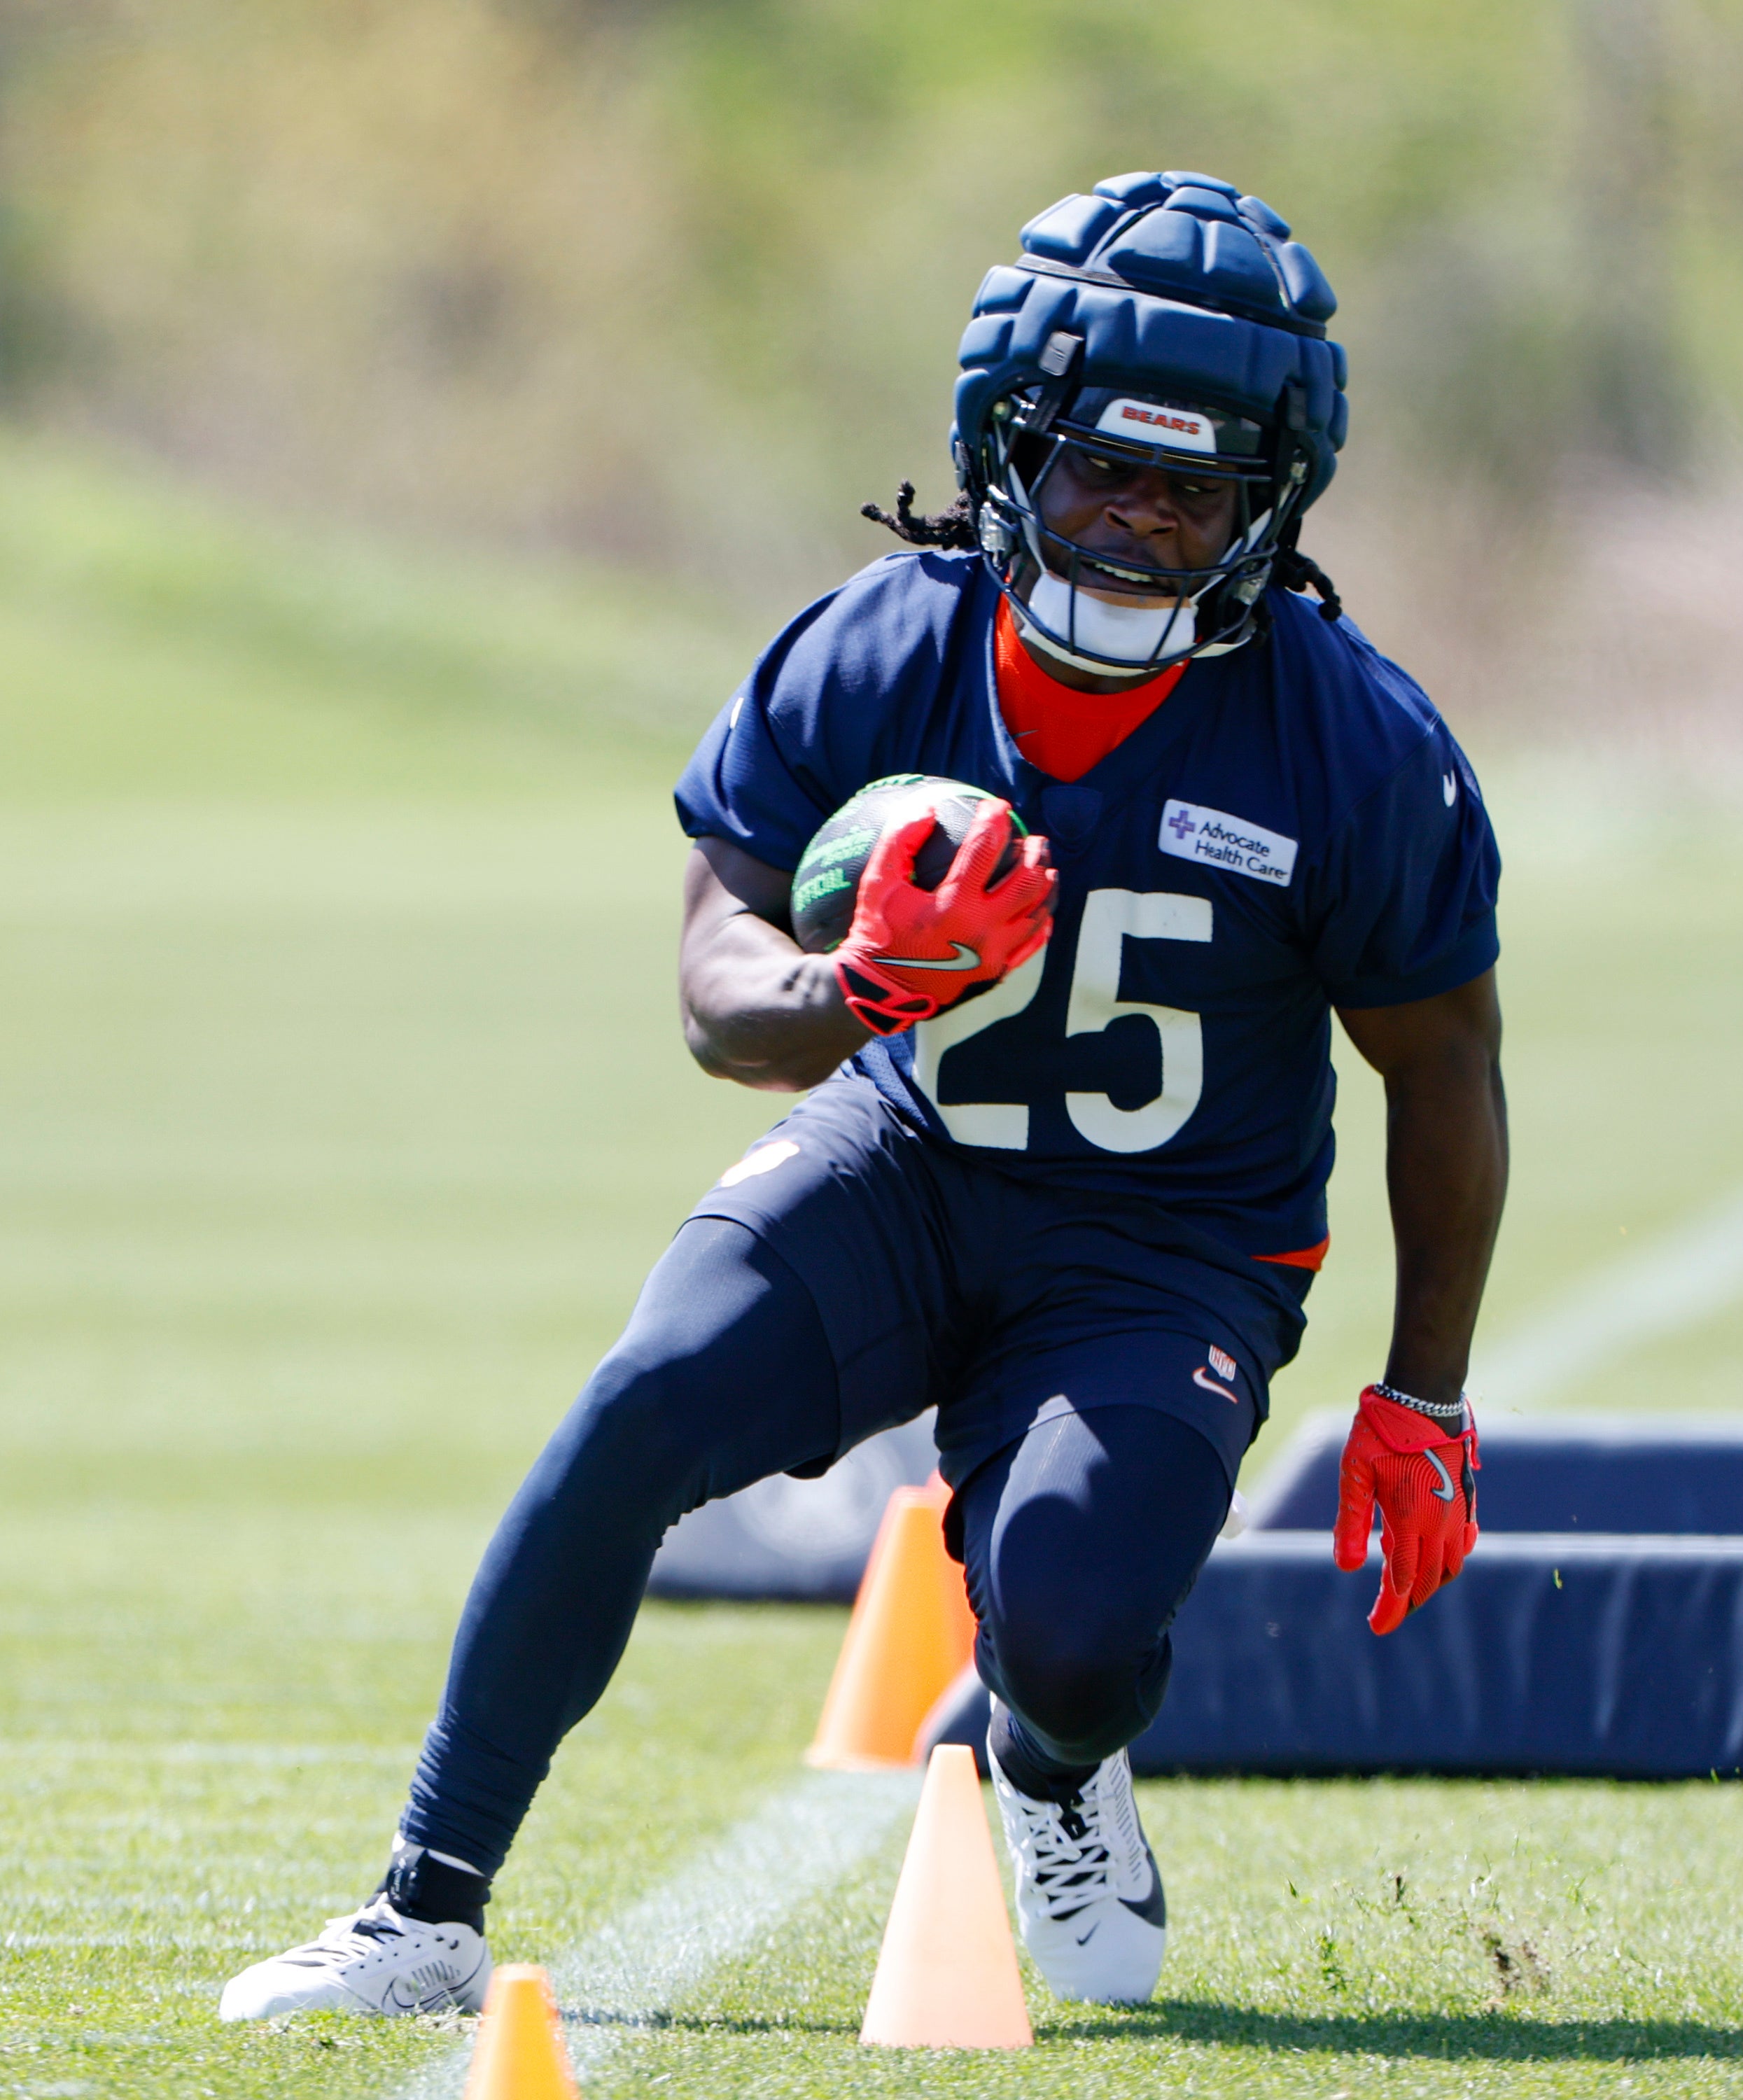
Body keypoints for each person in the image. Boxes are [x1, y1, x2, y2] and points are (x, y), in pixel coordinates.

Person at [218, 169, 1507, 2021]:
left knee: (1071, 1629)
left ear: (1270, 503)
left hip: (1168, 1249)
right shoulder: (887, 646)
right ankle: (422, 1905)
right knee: (643, 1402)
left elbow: (1439, 1063)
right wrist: (852, 992)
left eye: (1198, 487)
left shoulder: (1350, 738)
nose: (1141, 518)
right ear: (1011, 447)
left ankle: (1054, 1763)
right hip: (903, 1162)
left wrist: (1424, 1394)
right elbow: (715, 984)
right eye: (1102, 468)